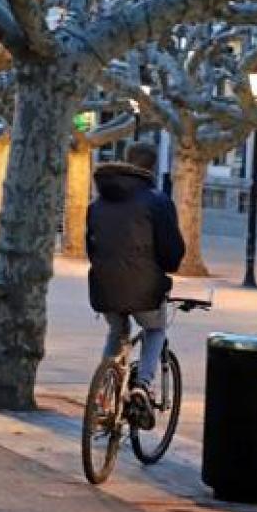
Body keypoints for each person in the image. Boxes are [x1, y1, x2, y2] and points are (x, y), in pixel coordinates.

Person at [85, 142, 185, 429]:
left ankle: (104, 395)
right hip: (145, 286)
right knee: (155, 329)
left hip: (105, 284)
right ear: (152, 167)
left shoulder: (98, 204)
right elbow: (171, 251)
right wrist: (168, 268)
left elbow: (91, 248)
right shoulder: (158, 201)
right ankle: (143, 385)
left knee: (117, 331)